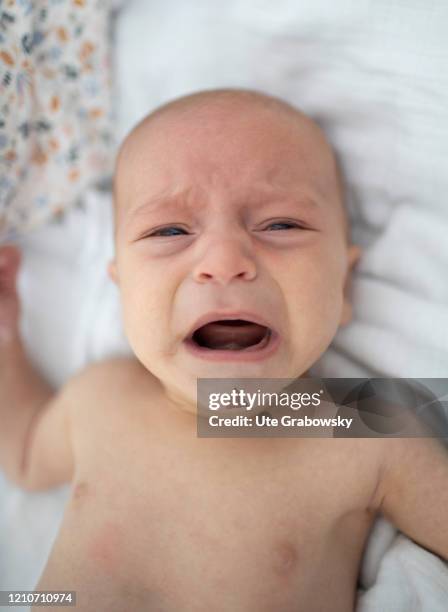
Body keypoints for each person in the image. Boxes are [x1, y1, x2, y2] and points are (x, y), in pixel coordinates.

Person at [0, 88, 447, 612]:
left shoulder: (364, 428)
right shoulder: (102, 395)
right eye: (169, 230)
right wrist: (7, 340)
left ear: (343, 287)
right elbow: (27, 452)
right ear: (122, 291)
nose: (224, 259)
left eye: (280, 224)